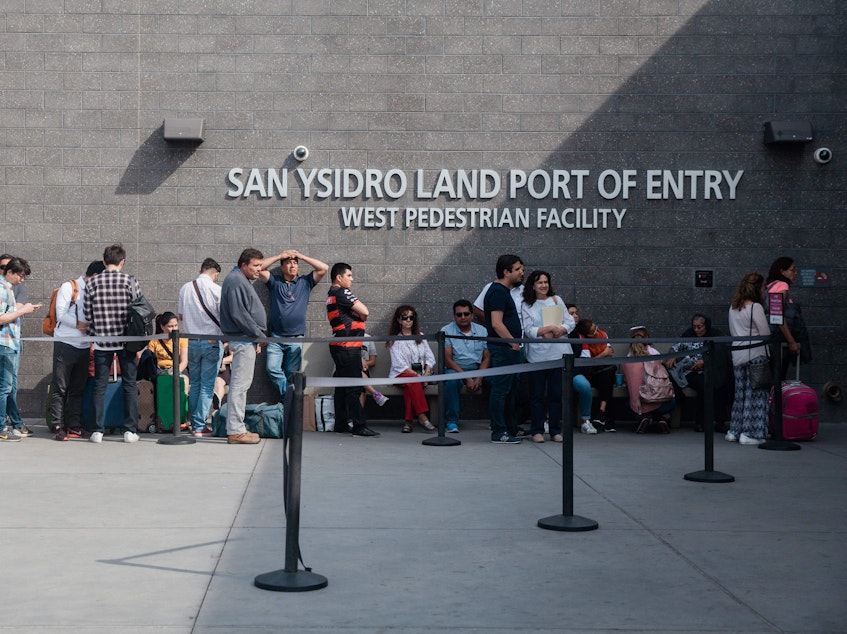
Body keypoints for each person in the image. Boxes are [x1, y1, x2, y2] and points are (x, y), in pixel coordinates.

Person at [521, 270, 595, 442]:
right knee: (537, 395)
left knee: (556, 395)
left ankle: (555, 430)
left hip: (558, 354)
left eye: (546, 282)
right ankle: (537, 430)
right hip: (537, 357)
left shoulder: (556, 300)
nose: (543, 285)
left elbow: (569, 322)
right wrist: (546, 330)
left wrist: (560, 330)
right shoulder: (527, 304)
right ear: (533, 285)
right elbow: (528, 329)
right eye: (540, 282)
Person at [83, 244, 141, 443]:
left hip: (101, 340)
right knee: (129, 385)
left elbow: (87, 315)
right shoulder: (130, 281)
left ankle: (97, 430)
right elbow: (138, 310)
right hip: (126, 340)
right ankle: (129, 430)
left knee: (99, 386)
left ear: (104, 261)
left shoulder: (92, 284)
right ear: (122, 262)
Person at [259, 249, 328, 397]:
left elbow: (324, 268)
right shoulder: (275, 282)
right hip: (275, 338)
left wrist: (302, 256)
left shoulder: (305, 282)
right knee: (272, 368)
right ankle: (289, 398)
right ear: (282, 267)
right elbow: (259, 268)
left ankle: (288, 407)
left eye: (295, 263)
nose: (292, 266)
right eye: (288, 263)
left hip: (296, 338)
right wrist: (279, 256)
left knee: (292, 375)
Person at [51, 260, 105, 441]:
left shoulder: (95, 291)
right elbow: (61, 313)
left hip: (84, 346)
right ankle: (57, 426)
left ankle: (74, 426)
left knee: (78, 389)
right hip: (65, 343)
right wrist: (79, 325)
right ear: (96, 276)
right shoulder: (69, 286)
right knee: (60, 387)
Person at [219, 248, 267, 445]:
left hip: (246, 339)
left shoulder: (238, 279)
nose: (259, 270)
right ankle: (236, 430)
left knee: (241, 386)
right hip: (244, 339)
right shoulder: (237, 280)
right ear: (243, 265)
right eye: (255, 266)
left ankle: (237, 428)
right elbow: (240, 315)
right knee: (239, 386)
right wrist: (259, 334)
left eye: (260, 266)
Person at [326, 262, 379, 437]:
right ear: (339, 277)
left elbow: (361, 314)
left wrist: (358, 314)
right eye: (349, 275)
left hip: (341, 346)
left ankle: (341, 424)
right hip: (348, 347)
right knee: (354, 388)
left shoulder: (332, 293)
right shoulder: (341, 292)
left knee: (341, 387)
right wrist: (360, 314)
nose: (352, 279)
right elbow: (365, 311)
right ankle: (359, 425)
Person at [178, 257, 223, 437]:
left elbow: (181, 315)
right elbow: (223, 316)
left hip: (191, 341)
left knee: (195, 383)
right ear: (215, 274)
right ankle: (199, 425)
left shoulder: (185, 288)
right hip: (211, 341)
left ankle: (193, 422)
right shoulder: (216, 289)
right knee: (207, 385)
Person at [483, 254, 525, 444]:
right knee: (501, 390)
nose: (522, 273)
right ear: (506, 271)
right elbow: (496, 323)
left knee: (511, 390)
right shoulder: (498, 292)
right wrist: (511, 342)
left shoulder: (503, 291)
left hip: (509, 349)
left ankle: (511, 428)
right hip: (503, 349)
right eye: (518, 269)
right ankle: (499, 431)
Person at [665, 313, 732, 432]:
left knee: (719, 385)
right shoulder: (688, 334)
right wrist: (672, 356)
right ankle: (700, 422)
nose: (696, 330)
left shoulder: (715, 335)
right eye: (694, 326)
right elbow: (676, 346)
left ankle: (720, 421)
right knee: (703, 385)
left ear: (706, 326)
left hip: (712, 370)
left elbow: (721, 355)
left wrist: (705, 362)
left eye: (699, 327)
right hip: (690, 371)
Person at [726, 273, 771, 445]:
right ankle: (751, 433)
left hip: (738, 355)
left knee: (740, 394)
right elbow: (765, 333)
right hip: (755, 354)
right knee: (756, 395)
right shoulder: (755, 308)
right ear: (758, 288)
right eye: (763, 287)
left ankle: (734, 431)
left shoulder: (733, 307)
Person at [0, 257, 41, 442]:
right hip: (5, 343)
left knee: (7, 387)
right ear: (10, 272)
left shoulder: (8, 288)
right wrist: (23, 311)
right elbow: (1, 318)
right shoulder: (2, 289)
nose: (21, 280)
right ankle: (1, 427)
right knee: (5, 388)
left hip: (10, 342)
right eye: (20, 276)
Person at [441, 299, 489, 433]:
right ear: (454, 316)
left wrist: (479, 377)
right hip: (455, 370)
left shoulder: (482, 331)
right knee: (451, 381)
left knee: (497, 380)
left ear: (472, 315)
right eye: (459, 314)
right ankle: (451, 422)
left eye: (466, 314)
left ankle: (497, 421)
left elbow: (487, 357)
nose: (463, 317)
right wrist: (467, 377)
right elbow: (448, 360)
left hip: (478, 370)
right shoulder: (446, 330)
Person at [386, 305, 436, 433]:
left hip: (416, 378)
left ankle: (408, 422)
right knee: (412, 381)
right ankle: (422, 416)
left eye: (411, 317)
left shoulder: (420, 336)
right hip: (400, 375)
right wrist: (418, 377)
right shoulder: (395, 340)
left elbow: (430, 358)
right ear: (399, 320)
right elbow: (399, 364)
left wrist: (426, 373)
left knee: (411, 386)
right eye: (405, 317)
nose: (408, 320)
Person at [621, 326, 676, 433]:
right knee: (671, 401)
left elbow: (626, 382)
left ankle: (645, 418)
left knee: (628, 404)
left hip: (637, 406)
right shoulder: (654, 353)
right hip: (658, 401)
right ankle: (661, 418)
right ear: (647, 338)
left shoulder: (627, 358)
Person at [765, 256, 809, 379]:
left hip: (770, 339)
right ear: (782, 271)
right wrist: (791, 341)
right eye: (792, 270)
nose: (796, 273)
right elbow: (777, 315)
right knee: (779, 377)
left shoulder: (769, 286)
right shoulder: (782, 285)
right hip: (780, 340)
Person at [574, 318, 617, 432]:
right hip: (590, 372)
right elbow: (588, 363)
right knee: (608, 380)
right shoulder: (583, 342)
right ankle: (607, 420)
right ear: (587, 335)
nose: (596, 332)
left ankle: (602, 413)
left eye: (596, 328)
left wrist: (602, 355)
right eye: (593, 332)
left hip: (603, 370)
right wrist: (603, 354)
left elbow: (610, 352)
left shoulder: (602, 334)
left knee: (607, 377)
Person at [147, 312, 190, 388]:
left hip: (177, 369)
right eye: (170, 326)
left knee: (184, 381)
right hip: (160, 370)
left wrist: (175, 372)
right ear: (162, 327)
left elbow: (184, 361)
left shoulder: (182, 339)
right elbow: (151, 362)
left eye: (176, 325)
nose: (174, 329)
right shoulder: (154, 340)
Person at [360, 334, 388, 409]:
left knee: (359, 376)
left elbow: (373, 361)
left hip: (363, 371)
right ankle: (375, 394)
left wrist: (363, 363)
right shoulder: (344, 336)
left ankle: (357, 417)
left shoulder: (368, 338)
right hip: (345, 370)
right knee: (355, 371)